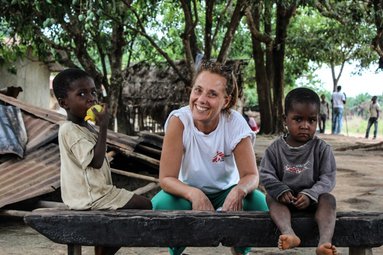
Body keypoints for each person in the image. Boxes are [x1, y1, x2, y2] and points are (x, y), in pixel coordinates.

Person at [151, 60, 268, 255]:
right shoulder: (179, 121)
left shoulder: (235, 123)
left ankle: (240, 250)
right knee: (160, 204)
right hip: (187, 191)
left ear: (227, 101)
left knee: (258, 203)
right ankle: (176, 250)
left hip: (226, 191)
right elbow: (166, 178)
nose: (202, 99)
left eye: (212, 94)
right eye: (198, 90)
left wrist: (239, 191)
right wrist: (194, 194)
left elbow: (251, 175)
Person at [52, 68, 152, 255]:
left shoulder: (86, 127)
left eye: (93, 92)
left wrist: (99, 128)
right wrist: (104, 127)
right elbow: (96, 162)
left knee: (120, 221)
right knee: (145, 205)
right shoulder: (70, 129)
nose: (91, 98)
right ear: (64, 102)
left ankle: (102, 251)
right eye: (81, 94)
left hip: (96, 193)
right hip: (92, 196)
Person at [260, 88, 337, 255]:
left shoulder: (322, 149)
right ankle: (288, 233)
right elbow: (266, 174)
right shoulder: (275, 149)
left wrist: (311, 194)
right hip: (285, 201)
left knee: (329, 199)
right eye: (298, 119)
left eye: (311, 120)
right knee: (270, 198)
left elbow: (328, 178)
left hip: (314, 202)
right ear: (284, 120)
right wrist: (280, 191)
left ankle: (324, 243)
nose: (305, 125)